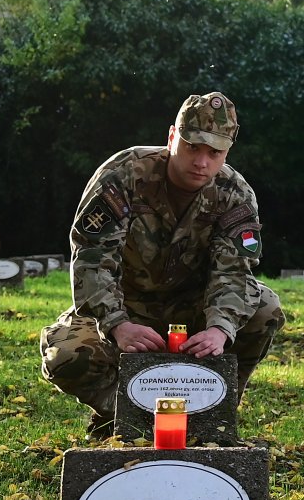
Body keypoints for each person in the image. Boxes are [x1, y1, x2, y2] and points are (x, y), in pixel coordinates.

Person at [40, 93, 283, 433]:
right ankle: (123, 412)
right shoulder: (124, 175)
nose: (201, 161)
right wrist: (116, 323)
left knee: (265, 307)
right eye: (191, 147)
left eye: (214, 152)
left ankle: (212, 411)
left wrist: (220, 328)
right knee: (65, 355)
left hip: (194, 309)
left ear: (227, 152)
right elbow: (92, 260)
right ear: (172, 137)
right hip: (125, 305)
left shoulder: (233, 194)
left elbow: (234, 272)